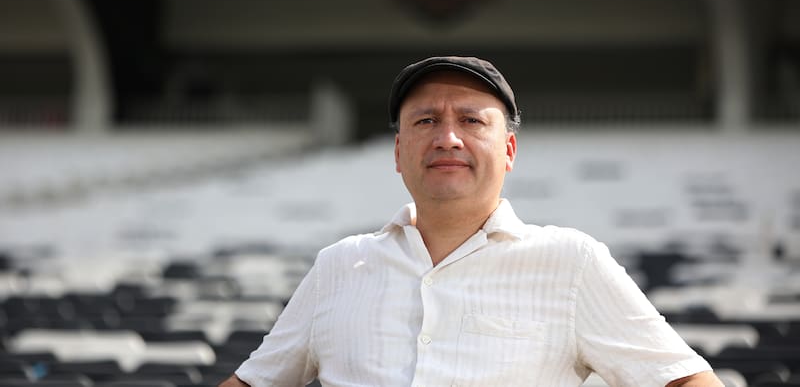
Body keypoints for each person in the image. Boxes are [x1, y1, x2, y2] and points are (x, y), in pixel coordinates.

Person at [219, 56, 723, 387]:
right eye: (426, 121)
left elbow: (684, 378)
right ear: (398, 152)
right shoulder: (338, 267)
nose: (448, 138)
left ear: (509, 151)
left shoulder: (572, 263)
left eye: (471, 120)